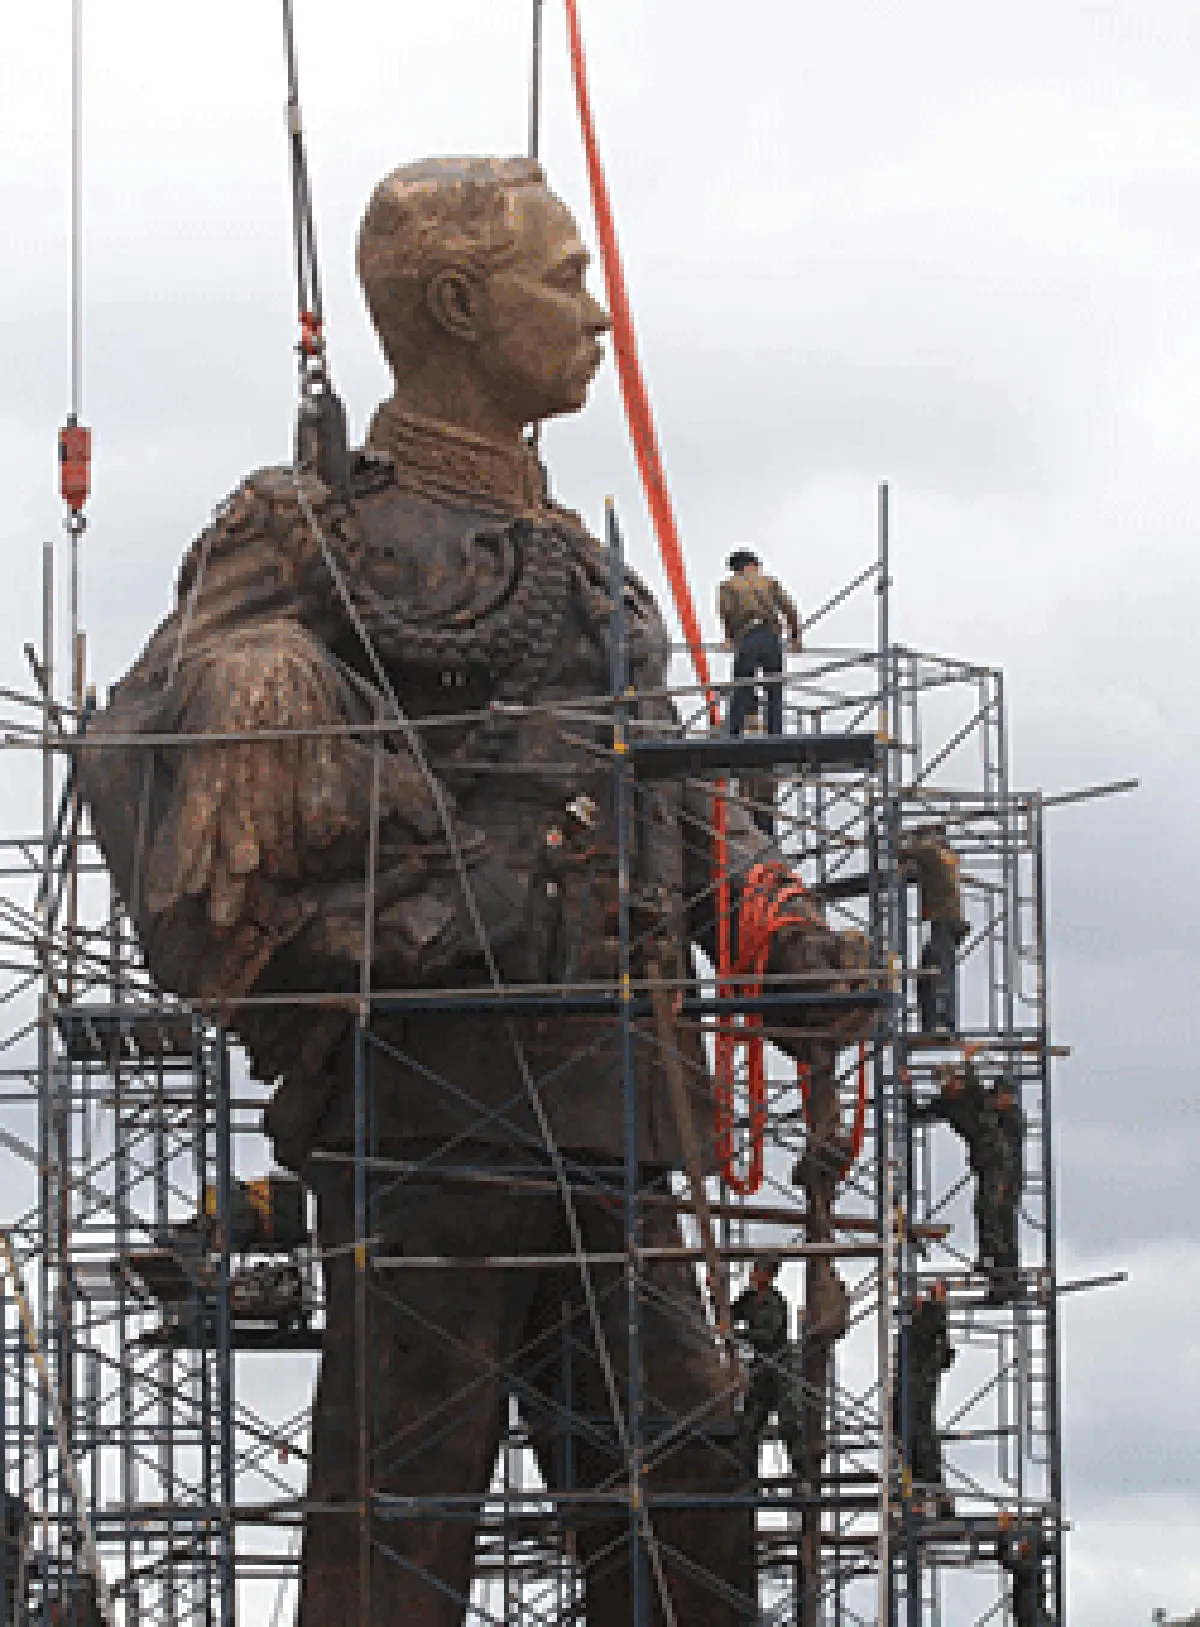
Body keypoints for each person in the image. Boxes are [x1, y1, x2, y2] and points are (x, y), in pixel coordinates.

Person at [79, 155, 875, 1627]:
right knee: (401, 1511)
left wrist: (783, 930)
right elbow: (147, 736)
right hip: (427, 1094)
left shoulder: (591, 573)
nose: (598, 315)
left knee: (684, 1467)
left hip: (613, 1101)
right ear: (457, 302)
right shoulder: (317, 530)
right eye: (564, 280)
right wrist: (273, 706)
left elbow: (680, 796)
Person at [909, 1059, 1023, 1305]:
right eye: (944, 1084)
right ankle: (997, 1273)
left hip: (999, 1164)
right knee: (985, 1215)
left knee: (994, 1216)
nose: (948, 1088)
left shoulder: (974, 1097)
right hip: (986, 1163)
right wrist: (907, 1089)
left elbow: (976, 1086)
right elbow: (917, 1115)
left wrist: (968, 1060)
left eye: (951, 1082)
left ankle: (1004, 1277)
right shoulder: (948, 1104)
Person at [731, 1254, 805, 1479]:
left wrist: (737, 1333)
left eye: (757, 1270)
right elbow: (730, 1313)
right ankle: (748, 1477)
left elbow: (768, 1335)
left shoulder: (776, 1302)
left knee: (789, 1423)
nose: (752, 1274)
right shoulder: (749, 1298)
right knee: (750, 1425)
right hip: (761, 1368)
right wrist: (717, 1292)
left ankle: (800, 1474)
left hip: (781, 1368)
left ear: (767, 1275)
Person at [718, 550, 801, 739]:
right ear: (753, 564)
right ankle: (775, 734)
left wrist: (729, 638)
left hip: (747, 637)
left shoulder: (728, 585)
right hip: (771, 637)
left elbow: (726, 613)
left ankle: (734, 733)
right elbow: (789, 608)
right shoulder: (769, 582)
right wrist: (795, 636)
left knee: (741, 685)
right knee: (774, 687)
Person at [899, 827, 968, 1033]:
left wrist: (898, 838)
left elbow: (899, 851)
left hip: (944, 922)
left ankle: (939, 1023)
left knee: (935, 972)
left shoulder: (930, 852)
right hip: (950, 922)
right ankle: (938, 1022)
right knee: (936, 970)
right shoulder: (948, 858)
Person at [895, 1280, 955, 1515]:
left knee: (920, 1441)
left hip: (915, 1396)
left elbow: (933, 1327)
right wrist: (936, 1303)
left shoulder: (923, 1338)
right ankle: (923, 1496)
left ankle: (929, 1495)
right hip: (910, 1397)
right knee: (913, 1443)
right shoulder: (916, 1337)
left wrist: (937, 1303)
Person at [998, 1517, 1052, 1627]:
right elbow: (1006, 1559)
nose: (1021, 1548)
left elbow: (1006, 1559)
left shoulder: (1026, 1566)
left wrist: (1003, 1533)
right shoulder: (1029, 1565)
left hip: (1028, 1609)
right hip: (1029, 1609)